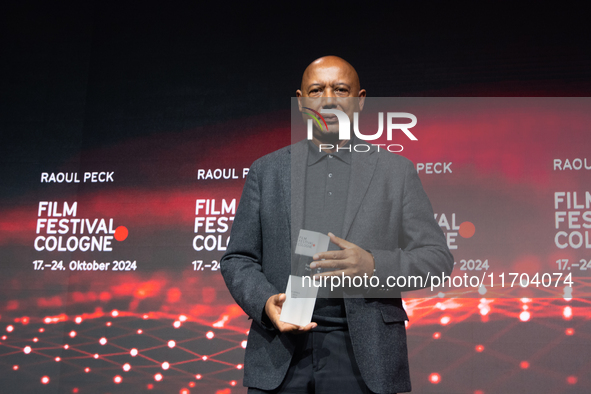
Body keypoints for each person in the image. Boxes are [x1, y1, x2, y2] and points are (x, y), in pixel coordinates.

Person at [221, 56, 453, 393]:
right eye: (316, 90)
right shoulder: (267, 171)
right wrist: (265, 302)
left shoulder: (395, 172)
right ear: (301, 102)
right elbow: (238, 259)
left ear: (359, 101)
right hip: (281, 352)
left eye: (340, 89)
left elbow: (436, 261)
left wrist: (374, 265)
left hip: (365, 355)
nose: (328, 99)